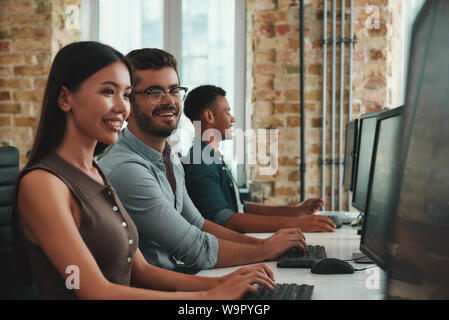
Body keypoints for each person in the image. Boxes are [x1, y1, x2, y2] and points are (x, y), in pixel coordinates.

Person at [13, 41, 277, 300]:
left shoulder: (95, 173)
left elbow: (141, 270)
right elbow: (94, 291)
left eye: (126, 95)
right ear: (65, 98)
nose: (122, 107)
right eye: (108, 92)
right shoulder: (44, 184)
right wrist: (208, 298)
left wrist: (222, 283)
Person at [99, 48, 307, 274]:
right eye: (155, 92)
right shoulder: (127, 169)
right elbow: (195, 248)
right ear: (128, 102)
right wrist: (266, 249)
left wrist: (264, 245)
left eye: (174, 90)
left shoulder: (169, 156)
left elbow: (198, 224)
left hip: (175, 279)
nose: (169, 101)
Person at [182, 85, 335, 233]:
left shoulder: (210, 156)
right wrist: (298, 224)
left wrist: (296, 212)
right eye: (227, 112)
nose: (232, 118)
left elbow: (240, 208)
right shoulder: (200, 162)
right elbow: (226, 220)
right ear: (209, 116)